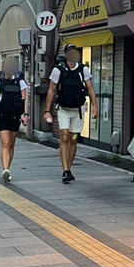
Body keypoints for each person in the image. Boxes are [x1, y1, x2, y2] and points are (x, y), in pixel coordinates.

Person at [43, 44, 98, 184]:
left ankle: (69, 168)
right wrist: (47, 111)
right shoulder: (58, 70)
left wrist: (95, 107)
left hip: (78, 110)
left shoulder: (83, 70)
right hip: (63, 110)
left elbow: (90, 89)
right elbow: (52, 90)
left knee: (73, 139)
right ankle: (65, 170)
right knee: (65, 137)